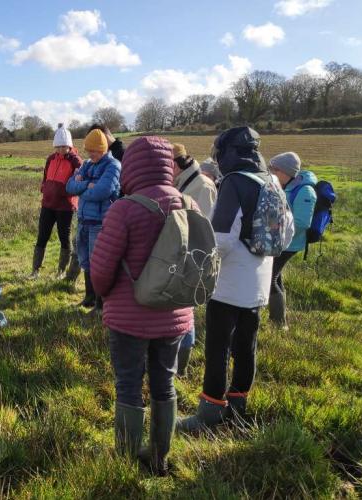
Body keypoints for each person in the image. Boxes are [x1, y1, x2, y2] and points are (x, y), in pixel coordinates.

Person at [89, 136, 195, 476]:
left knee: (128, 384)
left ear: (132, 167)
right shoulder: (188, 204)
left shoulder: (125, 208)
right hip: (176, 315)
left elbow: (101, 270)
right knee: (165, 382)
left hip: (129, 318)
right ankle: (159, 455)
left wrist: (105, 296)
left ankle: (125, 459)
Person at [178, 127, 274, 433]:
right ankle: (238, 404)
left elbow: (221, 238)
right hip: (260, 278)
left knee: (218, 346)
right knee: (247, 345)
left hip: (231, 281)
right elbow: (282, 234)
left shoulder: (235, 181)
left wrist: (199, 257)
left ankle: (210, 410)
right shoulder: (269, 180)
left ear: (228, 151)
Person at [172, 144, 218, 376]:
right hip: (178, 254)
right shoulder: (182, 183)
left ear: (175, 164)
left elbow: (205, 228)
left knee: (185, 309)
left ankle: (182, 366)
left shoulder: (204, 186)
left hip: (193, 257)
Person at [66, 128, 121, 309]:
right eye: (89, 151)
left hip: (100, 223)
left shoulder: (113, 166)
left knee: (98, 264)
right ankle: (89, 298)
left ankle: (101, 305)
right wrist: (86, 184)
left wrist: (83, 187)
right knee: (86, 262)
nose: (91, 154)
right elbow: (70, 187)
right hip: (83, 221)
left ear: (104, 148)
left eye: (95, 151)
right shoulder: (87, 164)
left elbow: (101, 192)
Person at [267, 152, 317, 329]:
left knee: (270, 277)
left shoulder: (305, 190)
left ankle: (278, 323)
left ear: (286, 171)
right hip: (281, 241)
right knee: (276, 277)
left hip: (290, 243)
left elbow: (302, 222)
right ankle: (279, 319)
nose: (271, 171)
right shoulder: (288, 186)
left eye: (275, 169)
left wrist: (278, 228)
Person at [29, 124, 82, 280]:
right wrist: (44, 188)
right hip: (48, 204)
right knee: (42, 236)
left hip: (65, 206)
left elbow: (80, 182)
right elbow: (45, 177)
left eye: (63, 146)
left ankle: (61, 271)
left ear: (69, 145)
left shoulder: (76, 161)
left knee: (64, 238)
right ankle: (35, 271)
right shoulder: (50, 159)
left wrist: (66, 192)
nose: (59, 150)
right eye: (57, 146)